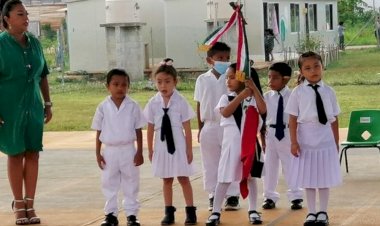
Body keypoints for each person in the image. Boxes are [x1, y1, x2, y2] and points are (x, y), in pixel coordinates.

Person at [0, 0, 52, 224]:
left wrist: (47, 103)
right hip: (9, 106)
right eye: (20, 14)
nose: (26, 18)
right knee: (15, 152)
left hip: (33, 104)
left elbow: (43, 75)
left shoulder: (35, 43)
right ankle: (18, 204)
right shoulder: (1, 45)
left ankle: (30, 204)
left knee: (33, 152)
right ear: (6, 19)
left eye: (26, 14)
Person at [285, 52, 342, 226]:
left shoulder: (329, 91)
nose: (313, 71)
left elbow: (334, 119)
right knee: (309, 178)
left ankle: (323, 212)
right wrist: (294, 142)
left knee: (323, 177)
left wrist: (336, 142)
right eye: (307, 68)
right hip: (306, 139)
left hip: (325, 138)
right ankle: (311, 212)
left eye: (316, 66)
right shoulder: (298, 92)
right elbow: (293, 119)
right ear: (301, 71)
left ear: (322, 66)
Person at [206, 63, 266, 226]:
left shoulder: (252, 99)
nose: (228, 81)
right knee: (224, 178)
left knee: (251, 177)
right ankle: (216, 212)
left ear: (243, 79)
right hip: (231, 147)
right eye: (227, 78)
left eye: (232, 77)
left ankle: (253, 210)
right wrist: (240, 96)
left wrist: (253, 89)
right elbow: (226, 112)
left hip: (250, 146)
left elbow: (263, 109)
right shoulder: (226, 98)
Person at [144, 58, 197, 225]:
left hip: (178, 144)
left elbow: (187, 129)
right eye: (159, 82)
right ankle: (169, 211)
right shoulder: (153, 103)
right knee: (166, 179)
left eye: (167, 82)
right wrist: (150, 149)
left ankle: (190, 210)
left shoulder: (180, 101)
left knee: (183, 177)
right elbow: (150, 127)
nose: (163, 86)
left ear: (175, 82)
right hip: (161, 145)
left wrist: (189, 149)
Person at [91, 69, 146, 226]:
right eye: (116, 84)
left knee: (131, 181)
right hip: (110, 150)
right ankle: (111, 215)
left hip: (128, 149)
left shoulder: (133, 105)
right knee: (109, 182)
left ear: (128, 86)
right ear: (108, 86)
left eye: (124, 84)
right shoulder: (103, 107)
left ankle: (131, 215)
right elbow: (99, 130)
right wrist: (97, 153)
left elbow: (138, 129)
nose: (120, 88)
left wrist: (139, 151)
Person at [194, 42, 241, 212]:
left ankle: (233, 195)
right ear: (210, 60)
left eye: (227, 58)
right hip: (210, 124)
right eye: (220, 58)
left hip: (228, 125)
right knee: (210, 162)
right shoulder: (202, 79)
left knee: (231, 159)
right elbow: (199, 104)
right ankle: (213, 193)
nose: (224, 61)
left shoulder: (231, 78)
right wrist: (200, 128)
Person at [262, 62, 303, 210]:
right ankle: (269, 196)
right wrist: (263, 139)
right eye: (269, 77)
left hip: (287, 133)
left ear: (285, 79)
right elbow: (262, 118)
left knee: (290, 165)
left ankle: (296, 196)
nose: (270, 82)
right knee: (269, 166)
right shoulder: (266, 97)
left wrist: (296, 140)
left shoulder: (294, 95)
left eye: (274, 78)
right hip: (270, 133)